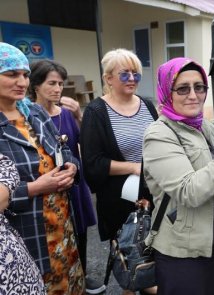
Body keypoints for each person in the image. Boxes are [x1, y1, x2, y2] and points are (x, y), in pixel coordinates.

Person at [142, 57, 214, 295]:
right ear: (167, 92)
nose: (193, 95)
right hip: (186, 255)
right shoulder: (158, 135)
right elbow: (189, 192)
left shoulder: (206, 127)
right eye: (183, 88)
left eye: (199, 87)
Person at [0, 42, 85, 293]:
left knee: (70, 285)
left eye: (25, 75)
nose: (22, 82)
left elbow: (64, 150)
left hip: (62, 227)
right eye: (11, 74)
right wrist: (34, 188)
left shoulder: (34, 112)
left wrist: (71, 167)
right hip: (27, 233)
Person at [80, 48, 158, 295]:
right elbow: (92, 163)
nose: (132, 79)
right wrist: (134, 167)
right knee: (128, 255)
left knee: (153, 250)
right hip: (119, 199)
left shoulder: (146, 105)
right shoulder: (96, 112)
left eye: (136, 74)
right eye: (125, 75)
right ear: (108, 79)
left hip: (151, 192)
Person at [28, 59, 105, 295]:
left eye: (60, 83)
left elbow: (83, 143)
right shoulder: (30, 116)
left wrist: (80, 114)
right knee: (53, 242)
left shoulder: (67, 113)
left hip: (75, 181)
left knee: (80, 233)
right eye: (51, 83)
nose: (58, 89)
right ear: (36, 85)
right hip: (50, 187)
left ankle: (80, 277)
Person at [0, 153, 46, 295]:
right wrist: (35, 187)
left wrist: (72, 165)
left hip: (20, 271)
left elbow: (5, 167)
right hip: (27, 224)